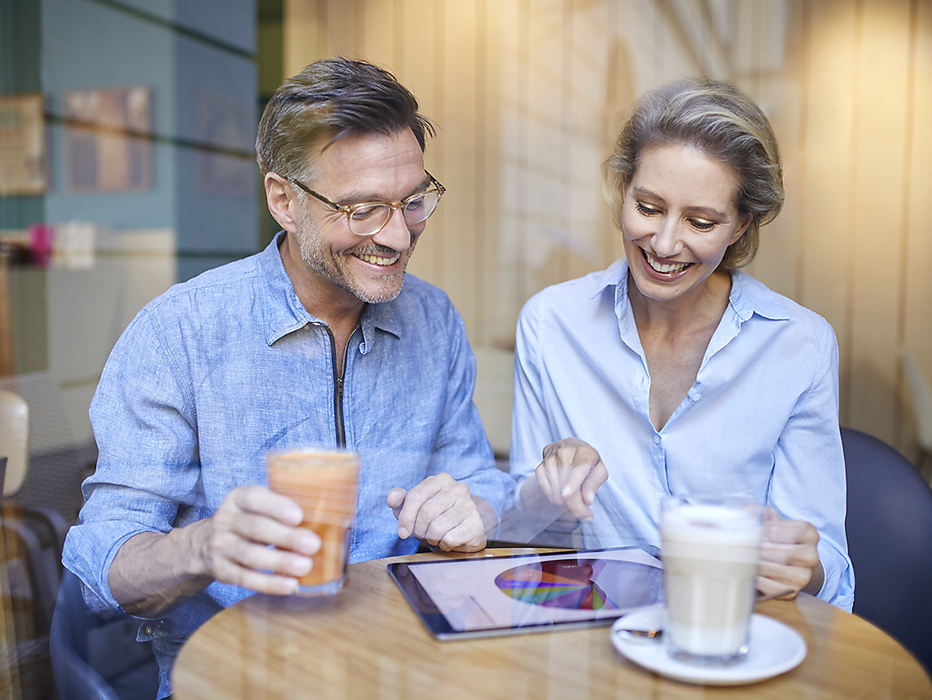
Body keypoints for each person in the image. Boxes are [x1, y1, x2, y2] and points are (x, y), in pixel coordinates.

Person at [62, 57, 514, 699]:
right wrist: (204, 548)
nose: (396, 235)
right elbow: (101, 562)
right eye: (361, 209)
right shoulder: (178, 333)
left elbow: (478, 481)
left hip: (406, 673)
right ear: (284, 201)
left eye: (413, 202)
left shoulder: (434, 320)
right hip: (234, 680)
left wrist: (473, 509)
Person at [509, 77, 854, 610]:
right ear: (621, 189)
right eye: (647, 208)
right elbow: (521, 538)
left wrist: (804, 565)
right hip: (598, 637)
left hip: (735, 636)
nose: (665, 244)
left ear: (741, 224)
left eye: (701, 221)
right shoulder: (551, 324)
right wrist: (547, 485)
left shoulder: (800, 345)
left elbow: (828, 563)